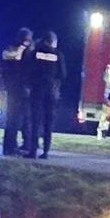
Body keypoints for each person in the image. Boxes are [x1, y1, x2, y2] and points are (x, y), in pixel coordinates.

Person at [26, 30, 66, 159]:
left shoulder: (36, 53)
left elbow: (29, 70)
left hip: (37, 90)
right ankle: (46, 151)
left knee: (35, 121)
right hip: (51, 91)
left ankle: (33, 150)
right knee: (48, 122)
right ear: (53, 42)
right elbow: (63, 74)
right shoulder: (58, 54)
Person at [0, 28, 34, 156]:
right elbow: (27, 69)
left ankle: (13, 145)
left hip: (12, 88)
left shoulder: (9, 49)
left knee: (16, 118)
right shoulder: (23, 50)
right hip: (20, 89)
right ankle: (13, 146)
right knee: (17, 118)